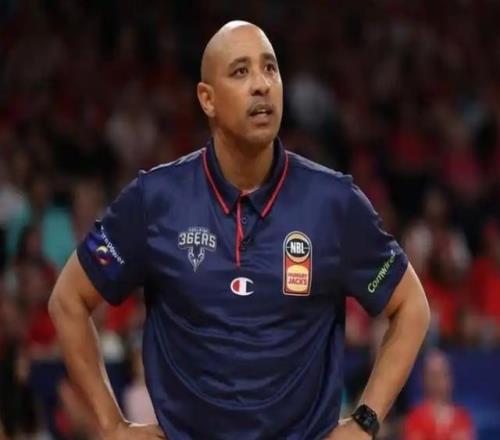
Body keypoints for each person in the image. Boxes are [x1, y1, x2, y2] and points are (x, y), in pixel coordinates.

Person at [48, 21, 430, 440]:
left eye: (270, 68)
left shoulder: (333, 203)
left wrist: (365, 423)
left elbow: (411, 306)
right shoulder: (154, 200)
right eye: (241, 71)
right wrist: (112, 426)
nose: (261, 85)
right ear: (207, 99)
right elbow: (68, 300)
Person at [403, 349, 475, 440]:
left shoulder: (463, 418)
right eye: (433, 375)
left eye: (442, 374)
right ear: (424, 379)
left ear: (450, 378)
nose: (437, 380)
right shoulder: (415, 419)